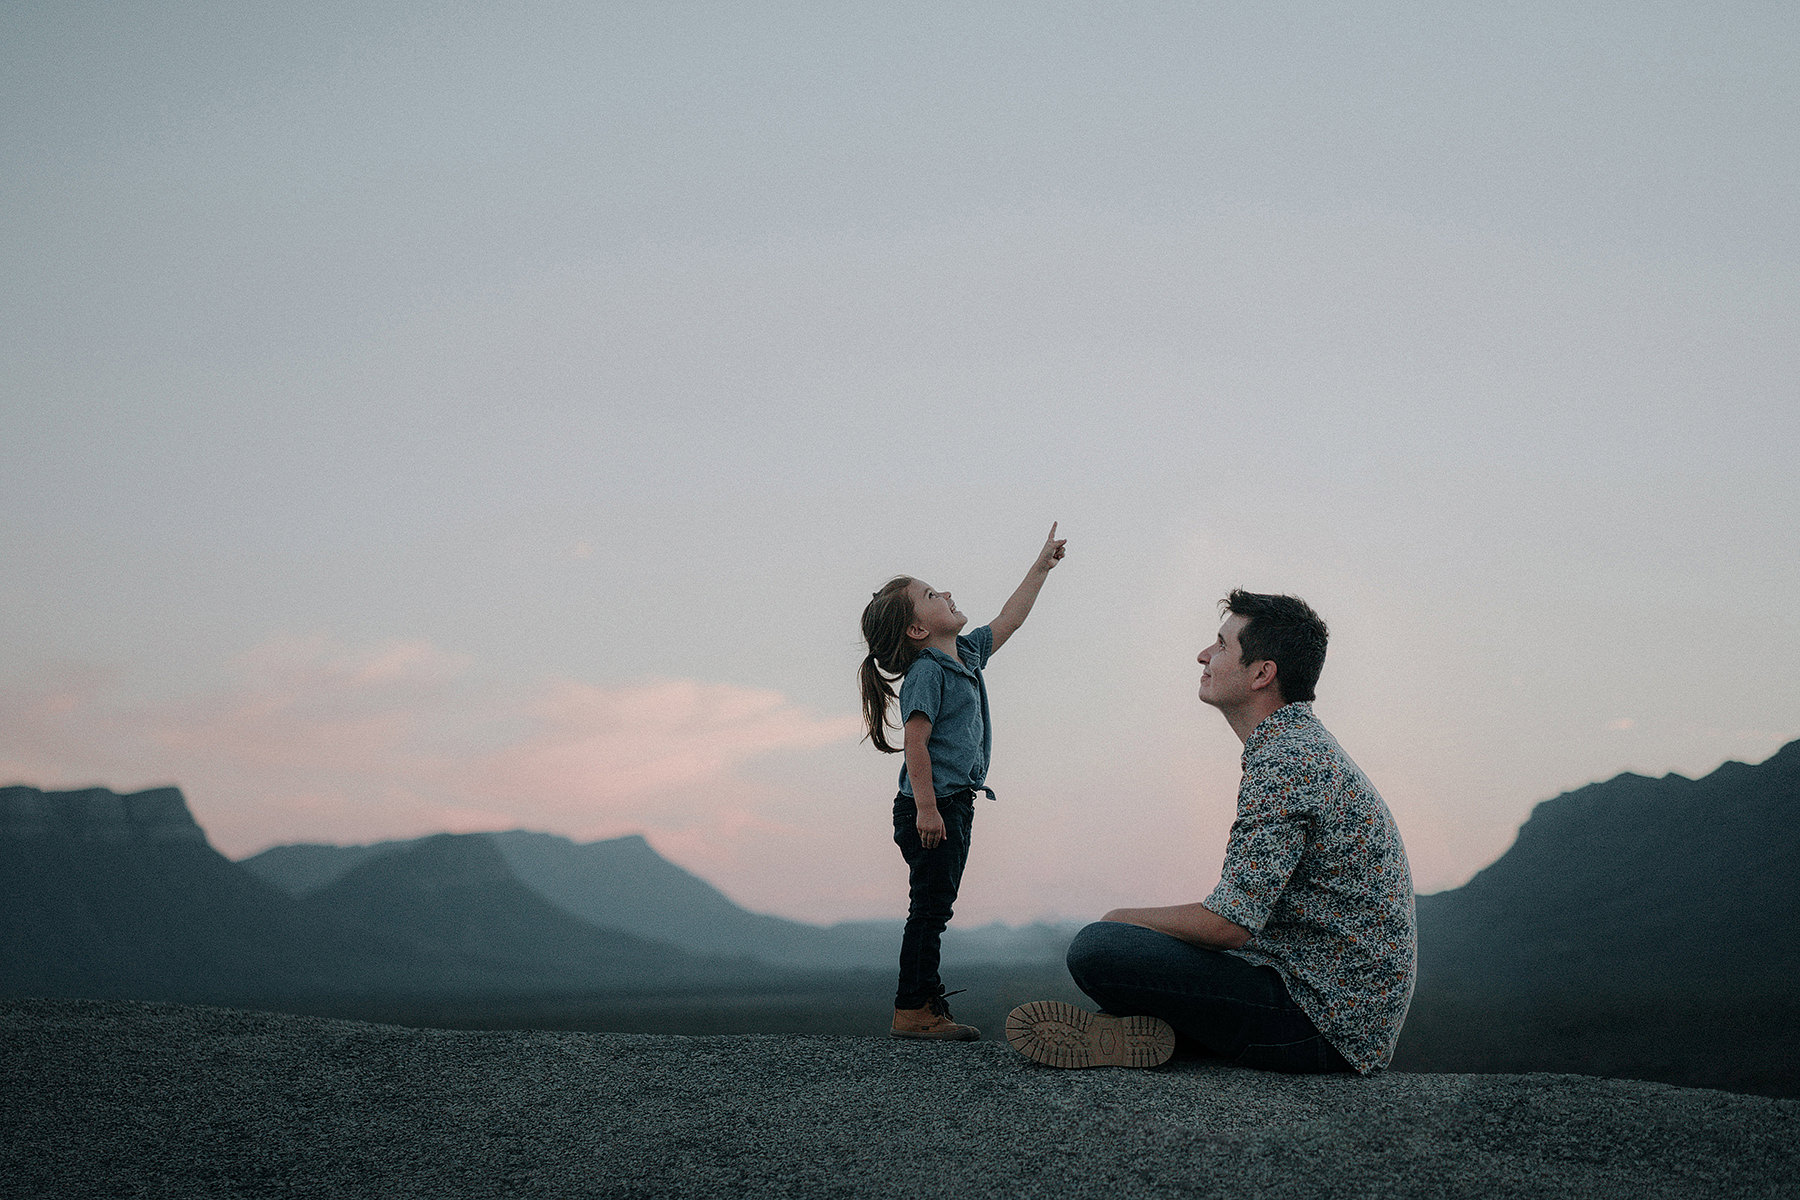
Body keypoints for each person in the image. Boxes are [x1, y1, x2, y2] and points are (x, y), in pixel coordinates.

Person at [1006, 590, 1416, 1074]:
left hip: (1323, 1025)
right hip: (1328, 1007)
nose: (1203, 655)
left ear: (1262, 673)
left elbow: (1229, 924)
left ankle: (1139, 1027)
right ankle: (1147, 1034)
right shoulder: (1297, 746)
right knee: (1126, 943)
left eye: (1221, 646)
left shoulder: (1289, 760)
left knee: (1099, 946)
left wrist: (1120, 918)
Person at [860, 524, 1067, 1040]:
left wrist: (1039, 568)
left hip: (953, 804)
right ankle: (914, 1010)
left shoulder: (966, 656)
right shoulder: (928, 672)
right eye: (930, 595)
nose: (946, 592)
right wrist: (928, 810)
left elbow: (1010, 620)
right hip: (932, 808)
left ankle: (924, 1003)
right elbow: (916, 745)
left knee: (936, 907)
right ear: (916, 630)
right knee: (928, 910)